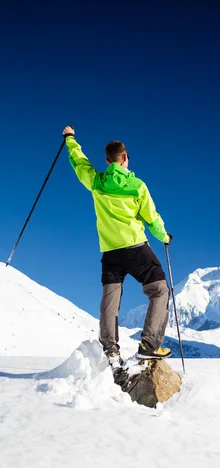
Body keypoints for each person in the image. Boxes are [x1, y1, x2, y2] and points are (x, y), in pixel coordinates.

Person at [62, 125, 172, 369]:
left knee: (110, 302)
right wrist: (164, 236)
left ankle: (110, 352)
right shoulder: (138, 186)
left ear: (107, 160)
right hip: (135, 247)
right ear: (125, 158)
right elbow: (152, 218)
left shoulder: (97, 182)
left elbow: (80, 164)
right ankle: (149, 346)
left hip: (110, 252)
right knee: (160, 290)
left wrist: (70, 139)